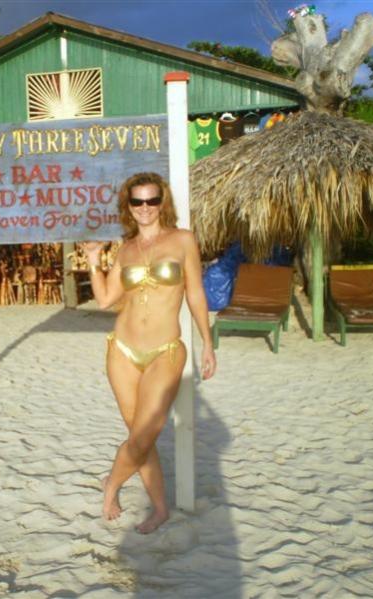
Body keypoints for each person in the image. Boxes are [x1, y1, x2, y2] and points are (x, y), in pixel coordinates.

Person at [83, 171, 216, 534]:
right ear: (128, 206)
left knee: (143, 436)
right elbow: (106, 299)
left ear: (162, 202)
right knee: (138, 434)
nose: (145, 208)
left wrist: (207, 342)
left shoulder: (183, 240)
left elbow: (195, 294)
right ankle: (160, 508)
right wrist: (94, 259)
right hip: (122, 350)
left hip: (165, 350)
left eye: (152, 200)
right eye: (137, 201)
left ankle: (111, 484)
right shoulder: (125, 249)